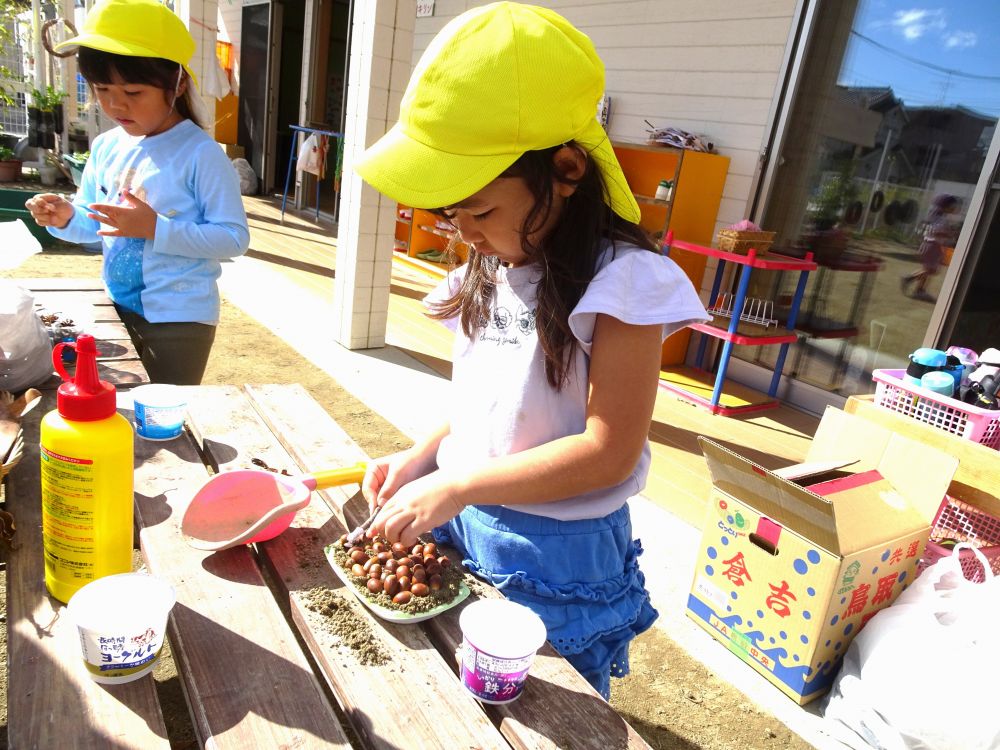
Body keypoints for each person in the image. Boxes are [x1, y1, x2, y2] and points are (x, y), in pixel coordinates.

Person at [354, 2, 709, 699]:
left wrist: (457, 484)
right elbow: (487, 404)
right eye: (452, 215)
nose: (466, 234)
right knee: (465, 695)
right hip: (469, 521)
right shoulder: (488, 270)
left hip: (557, 549)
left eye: (480, 211)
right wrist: (423, 456)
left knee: (553, 706)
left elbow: (607, 449)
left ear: (568, 169)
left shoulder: (623, 284)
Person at [24, 0, 249, 384]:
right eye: (102, 88)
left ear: (177, 84)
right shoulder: (109, 146)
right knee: (115, 412)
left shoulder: (201, 154)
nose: (115, 103)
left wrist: (154, 228)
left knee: (165, 419)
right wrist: (65, 217)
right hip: (114, 304)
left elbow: (233, 238)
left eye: (133, 91)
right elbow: (95, 224)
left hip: (179, 318)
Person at [901, 194, 960, 303]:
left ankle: (920, 290)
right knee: (931, 270)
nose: (955, 208)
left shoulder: (936, 216)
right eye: (953, 206)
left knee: (929, 269)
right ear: (946, 206)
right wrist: (950, 235)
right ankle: (909, 278)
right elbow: (936, 232)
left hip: (930, 244)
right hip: (933, 245)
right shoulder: (941, 219)